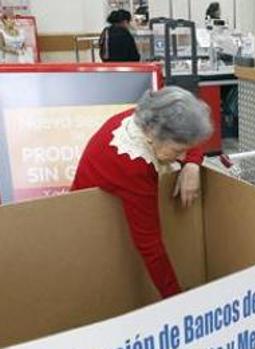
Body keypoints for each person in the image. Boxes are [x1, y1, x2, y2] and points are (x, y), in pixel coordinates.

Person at [72, 86, 213, 299]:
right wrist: (176, 301)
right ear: (151, 134)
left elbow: (188, 136)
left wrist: (192, 164)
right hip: (85, 231)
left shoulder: (146, 117)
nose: (182, 157)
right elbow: (150, 245)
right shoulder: (133, 165)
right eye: (177, 151)